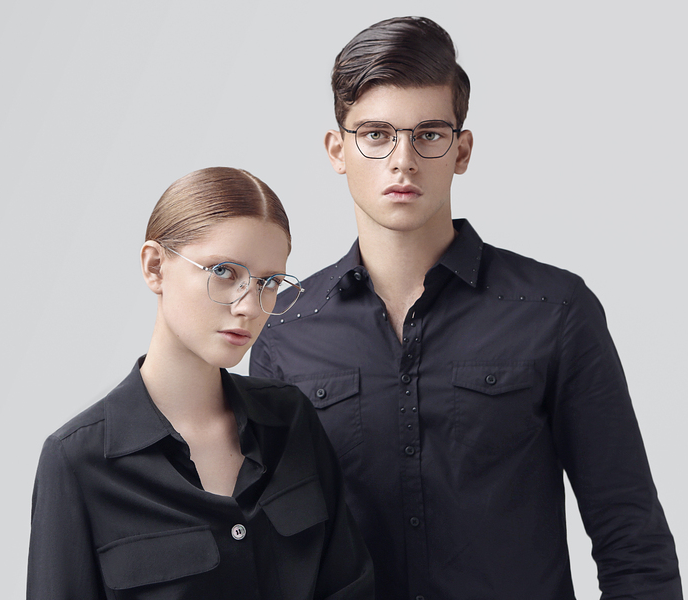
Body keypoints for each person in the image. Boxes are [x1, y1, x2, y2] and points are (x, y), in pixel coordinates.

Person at [249, 16, 681, 600]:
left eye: (428, 134)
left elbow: (631, 536)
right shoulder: (284, 327)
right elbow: (275, 551)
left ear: (462, 150)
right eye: (376, 134)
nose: (402, 160)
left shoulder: (555, 311)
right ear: (337, 150)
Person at [27, 167, 374, 599]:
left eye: (268, 283)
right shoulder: (78, 460)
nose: (249, 306)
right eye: (224, 271)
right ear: (155, 267)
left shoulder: (290, 420)